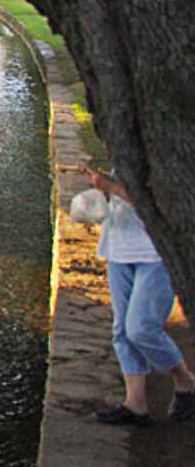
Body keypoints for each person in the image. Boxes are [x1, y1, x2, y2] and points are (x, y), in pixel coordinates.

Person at [73, 165, 195, 426]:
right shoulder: (126, 146)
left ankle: (186, 381)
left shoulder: (163, 150)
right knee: (121, 331)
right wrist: (102, 188)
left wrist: (110, 187)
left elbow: (160, 201)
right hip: (119, 248)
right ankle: (135, 403)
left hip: (155, 253)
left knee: (141, 328)